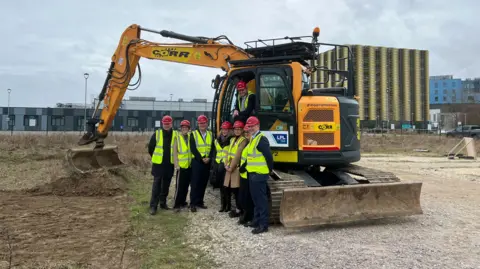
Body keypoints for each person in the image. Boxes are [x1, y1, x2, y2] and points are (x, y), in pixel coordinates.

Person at [244, 116, 273, 234]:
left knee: (261, 201)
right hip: (252, 173)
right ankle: (256, 221)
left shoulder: (261, 139)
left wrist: (269, 170)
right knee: (255, 200)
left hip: (259, 174)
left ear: (257, 126)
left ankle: (263, 224)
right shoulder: (253, 139)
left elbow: (269, 157)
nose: (250, 128)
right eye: (249, 126)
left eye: (252, 126)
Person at [148, 115, 178, 215]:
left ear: (171, 123)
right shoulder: (157, 134)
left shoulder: (176, 135)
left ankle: (163, 203)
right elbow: (150, 148)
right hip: (158, 164)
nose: (166, 125)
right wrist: (156, 158)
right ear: (162, 123)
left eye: (168, 124)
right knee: (156, 185)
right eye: (165, 124)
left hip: (169, 164)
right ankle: (153, 206)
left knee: (166, 184)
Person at [189, 115, 214, 212]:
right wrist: (201, 158)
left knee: (203, 183)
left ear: (207, 123)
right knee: (195, 183)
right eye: (200, 123)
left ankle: (200, 202)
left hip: (207, 162)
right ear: (198, 124)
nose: (202, 125)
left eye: (204, 123)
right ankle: (193, 203)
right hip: (197, 161)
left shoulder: (210, 134)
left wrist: (210, 158)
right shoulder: (193, 134)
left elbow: (212, 147)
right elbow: (193, 148)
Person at [223, 120, 248, 217]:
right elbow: (227, 153)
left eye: (239, 129)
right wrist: (226, 164)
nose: (237, 131)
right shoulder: (232, 140)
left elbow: (238, 154)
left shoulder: (243, 140)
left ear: (242, 130)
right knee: (229, 188)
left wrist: (231, 167)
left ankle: (239, 209)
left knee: (237, 190)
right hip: (229, 167)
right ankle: (234, 207)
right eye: (235, 129)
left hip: (235, 168)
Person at [172, 120, 193, 212]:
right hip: (181, 166)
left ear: (189, 129)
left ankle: (183, 202)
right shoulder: (177, 138)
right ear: (181, 128)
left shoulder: (190, 137)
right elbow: (175, 152)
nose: (185, 129)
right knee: (179, 186)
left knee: (185, 186)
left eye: (186, 128)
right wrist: (176, 164)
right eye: (183, 127)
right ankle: (176, 204)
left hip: (189, 166)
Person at [238, 124, 254, 226]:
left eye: (248, 132)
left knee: (248, 198)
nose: (247, 134)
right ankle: (245, 215)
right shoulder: (247, 143)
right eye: (245, 133)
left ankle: (249, 217)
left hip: (248, 173)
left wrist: (244, 166)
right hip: (243, 174)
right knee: (243, 198)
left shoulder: (252, 143)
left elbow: (251, 157)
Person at [215, 121, 233, 212]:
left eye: (226, 129)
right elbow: (215, 153)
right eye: (223, 129)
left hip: (227, 166)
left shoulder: (231, 140)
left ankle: (228, 205)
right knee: (221, 186)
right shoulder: (217, 140)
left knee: (227, 186)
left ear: (230, 130)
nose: (224, 131)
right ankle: (223, 205)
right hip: (219, 165)